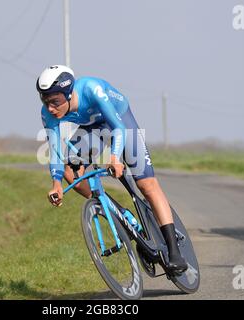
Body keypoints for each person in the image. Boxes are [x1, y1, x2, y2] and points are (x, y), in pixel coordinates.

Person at [37, 65, 187, 272]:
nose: (51, 108)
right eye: (45, 102)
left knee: (146, 183)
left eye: (55, 102)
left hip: (119, 121)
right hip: (90, 129)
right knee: (69, 172)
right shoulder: (48, 113)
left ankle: (174, 251)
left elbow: (118, 128)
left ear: (69, 94)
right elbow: (54, 152)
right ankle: (120, 214)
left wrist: (115, 158)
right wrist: (56, 184)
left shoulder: (91, 89)